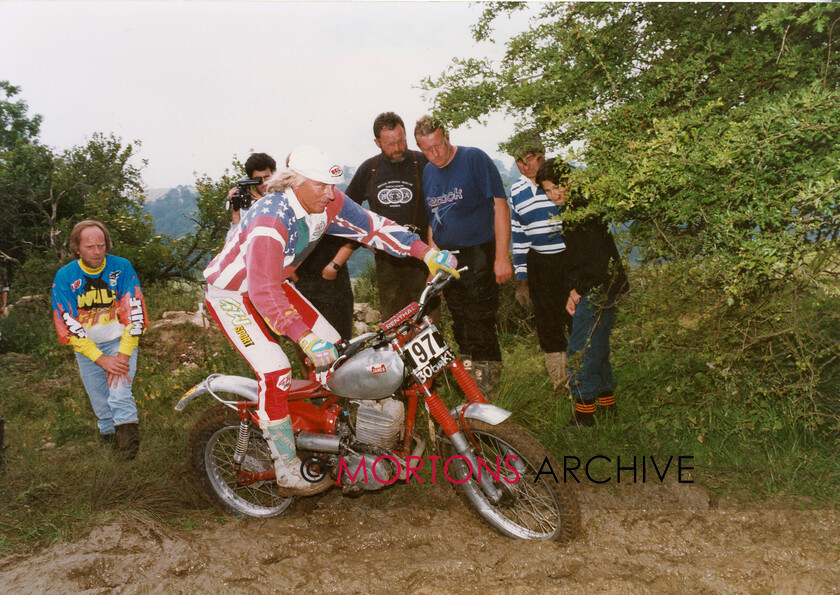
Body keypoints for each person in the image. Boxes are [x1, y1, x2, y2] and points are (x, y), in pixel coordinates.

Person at [203, 145, 459, 496]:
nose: (332, 193)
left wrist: (426, 253)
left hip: (272, 284)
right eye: (323, 185)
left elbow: (373, 228)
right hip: (235, 292)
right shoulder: (271, 220)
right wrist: (302, 336)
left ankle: (333, 437)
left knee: (337, 350)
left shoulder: (329, 201)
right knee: (275, 370)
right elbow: (261, 291)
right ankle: (287, 468)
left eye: (334, 185)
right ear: (296, 182)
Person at [414, 116, 512, 400]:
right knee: (459, 320)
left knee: (480, 318)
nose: (436, 154)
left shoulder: (473, 159)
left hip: (479, 250)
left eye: (439, 145)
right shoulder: (430, 172)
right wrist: (433, 262)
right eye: (428, 150)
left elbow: (500, 206)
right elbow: (434, 221)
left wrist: (501, 257)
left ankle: (488, 389)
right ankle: (470, 385)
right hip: (447, 257)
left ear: (446, 136)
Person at [536, 158, 629, 430]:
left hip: (599, 286)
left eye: (557, 187)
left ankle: (584, 416)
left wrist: (577, 291)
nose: (554, 195)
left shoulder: (581, 214)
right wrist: (574, 290)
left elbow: (597, 262)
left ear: (569, 182)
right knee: (597, 345)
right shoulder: (578, 209)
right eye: (548, 190)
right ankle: (607, 406)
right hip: (604, 285)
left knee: (581, 347)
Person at [51, 220, 148, 458]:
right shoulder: (65, 277)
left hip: (119, 341)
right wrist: (101, 359)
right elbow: (67, 324)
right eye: (90, 247)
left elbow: (135, 312)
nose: (97, 252)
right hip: (87, 347)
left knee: (119, 391)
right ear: (77, 249)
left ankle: (128, 457)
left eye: (101, 245)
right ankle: (110, 448)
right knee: (100, 402)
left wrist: (122, 356)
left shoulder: (121, 267)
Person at [345, 112, 438, 320]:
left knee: (428, 318)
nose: (397, 148)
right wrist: (363, 238)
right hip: (387, 260)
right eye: (390, 144)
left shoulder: (423, 162)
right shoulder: (369, 169)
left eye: (401, 141)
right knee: (394, 320)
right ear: (377, 142)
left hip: (423, 255)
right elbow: (346, 208)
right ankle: (396, 354)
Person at [505, 130, 573, 392]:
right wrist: (522, 280)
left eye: (532, 158)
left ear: (543, 155)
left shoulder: (564, 179)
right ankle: (560, 383)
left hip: (569, 260)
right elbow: (519, 237)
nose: (527, 165)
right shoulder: (517, 191)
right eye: (520, 161)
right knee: (548, 324)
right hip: (540, 264)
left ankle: (586, 380)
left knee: (577, 320)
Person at [226, 152, 277, 234]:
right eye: (258, 180)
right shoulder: (248, 209)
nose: (264, 183)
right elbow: (232, 243)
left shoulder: (285, 201)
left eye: (267, 177)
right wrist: (235, 214)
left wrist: (265, 204)